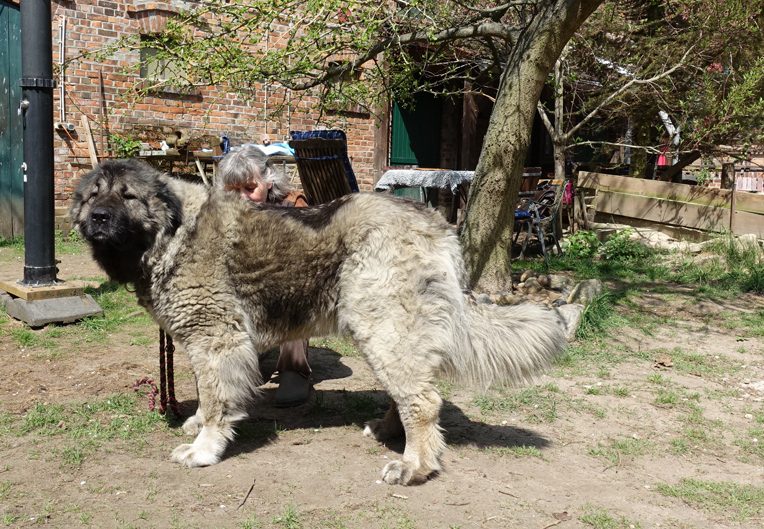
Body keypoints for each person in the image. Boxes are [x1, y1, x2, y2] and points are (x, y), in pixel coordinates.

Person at [216, 144, 311, 407]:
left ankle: (294, 369)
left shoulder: (294, 206)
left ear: (269, 180)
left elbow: (306, 263)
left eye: (250, 188)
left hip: (284, 284)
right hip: (244, 286)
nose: (241, 198)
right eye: (233, 190)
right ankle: (241, 360)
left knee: (294, 292)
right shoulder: (219, 212)